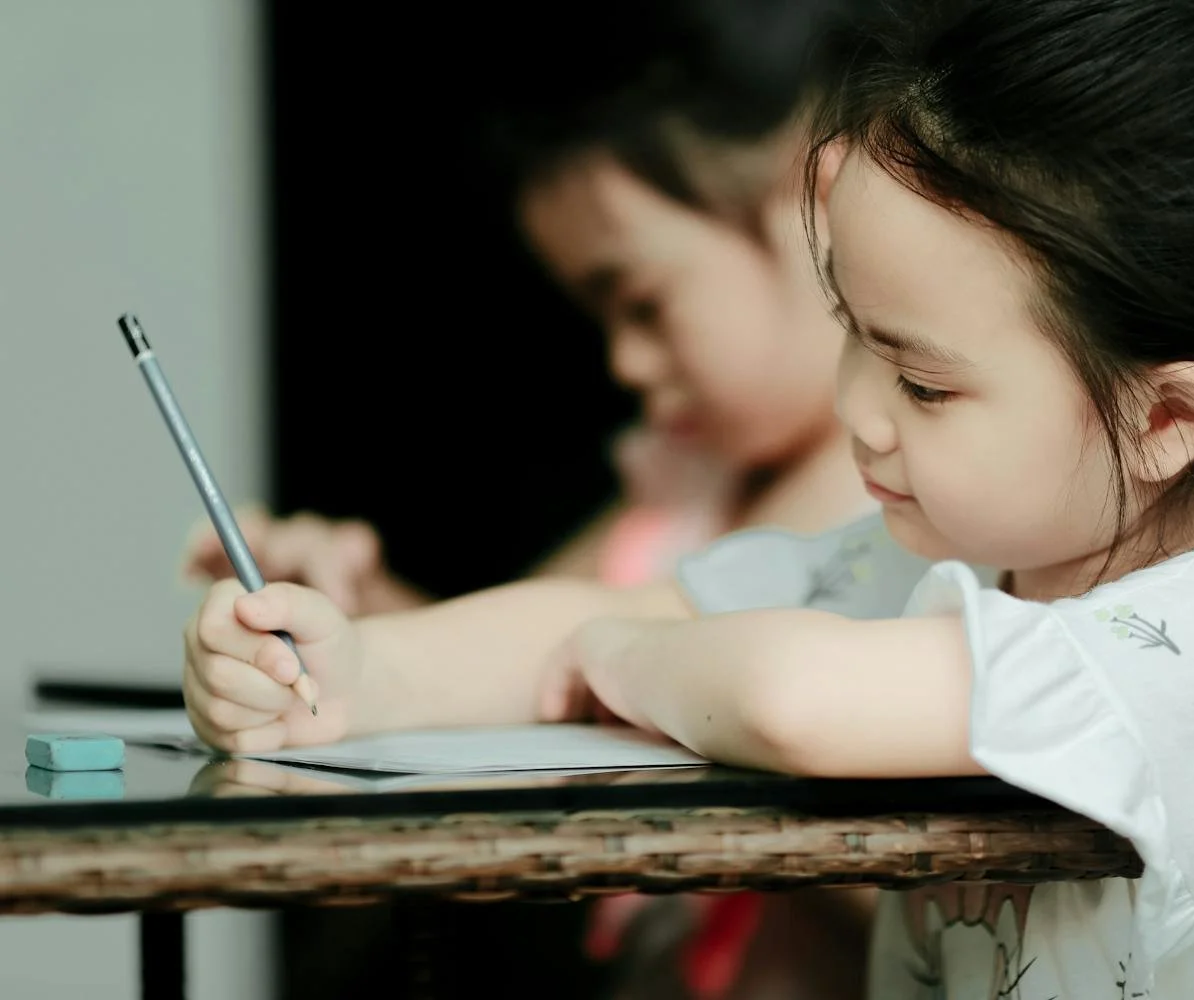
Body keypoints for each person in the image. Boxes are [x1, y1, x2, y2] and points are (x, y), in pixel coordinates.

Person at [183, 0, 1194, 994]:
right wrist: (346, 671)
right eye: (853, 332)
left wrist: (619, 650)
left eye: (924, 384)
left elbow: (790, 697)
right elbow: (585, 616)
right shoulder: (942, 567)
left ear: (1165, 419)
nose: (858, 410)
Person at [185, 3, 879, 997]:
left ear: (812, 200)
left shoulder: (891, 500)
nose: (624, 358)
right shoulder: (688, 486)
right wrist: (353, 626)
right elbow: (541, 658)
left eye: (642, 301)